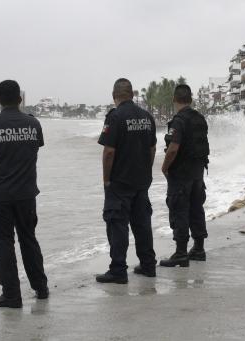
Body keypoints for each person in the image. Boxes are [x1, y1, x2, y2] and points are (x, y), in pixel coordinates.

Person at [0, 80, 48, 308]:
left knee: (3, 244)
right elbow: (36, 147)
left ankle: (12, 295)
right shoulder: (33, 124)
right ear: (20, 99)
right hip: (27, 194)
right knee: (29, 239)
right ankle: (41, 288)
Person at [96, 78, 157, 284]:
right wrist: (145, 171)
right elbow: (152, 149)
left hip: (120, 182)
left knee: (117, 224)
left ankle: (118, 270)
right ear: (132, 94)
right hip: (141, 180)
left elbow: (109, 152)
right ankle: (148, 265)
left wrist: (106, 180)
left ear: (115, 96)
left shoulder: (115, 117)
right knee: (142, 224)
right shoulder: (147, 116)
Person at [160, 84, 210, 268]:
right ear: (190, 99)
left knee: (179, 210)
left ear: (175, 100)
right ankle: (198, 249)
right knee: (197, 209)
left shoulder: (178, 120)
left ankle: (181, 253)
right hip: (198, 173)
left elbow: (173, 148)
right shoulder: (200, 119)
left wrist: (164, 167)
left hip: (181, 174)